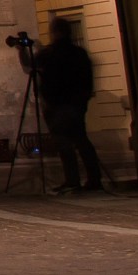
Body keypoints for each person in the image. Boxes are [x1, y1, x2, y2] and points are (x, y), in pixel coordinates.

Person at [35, 17, 102, 194]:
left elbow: (31, 66)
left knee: (64, 144)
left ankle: (73, 180)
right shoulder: (79, 53)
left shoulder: (50, 53)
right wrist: (83, 100)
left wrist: (27, 50)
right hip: (76, 104)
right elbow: (87, 80)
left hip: (57, 105)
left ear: (56, 32)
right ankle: (94, 179)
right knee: (81, 141)